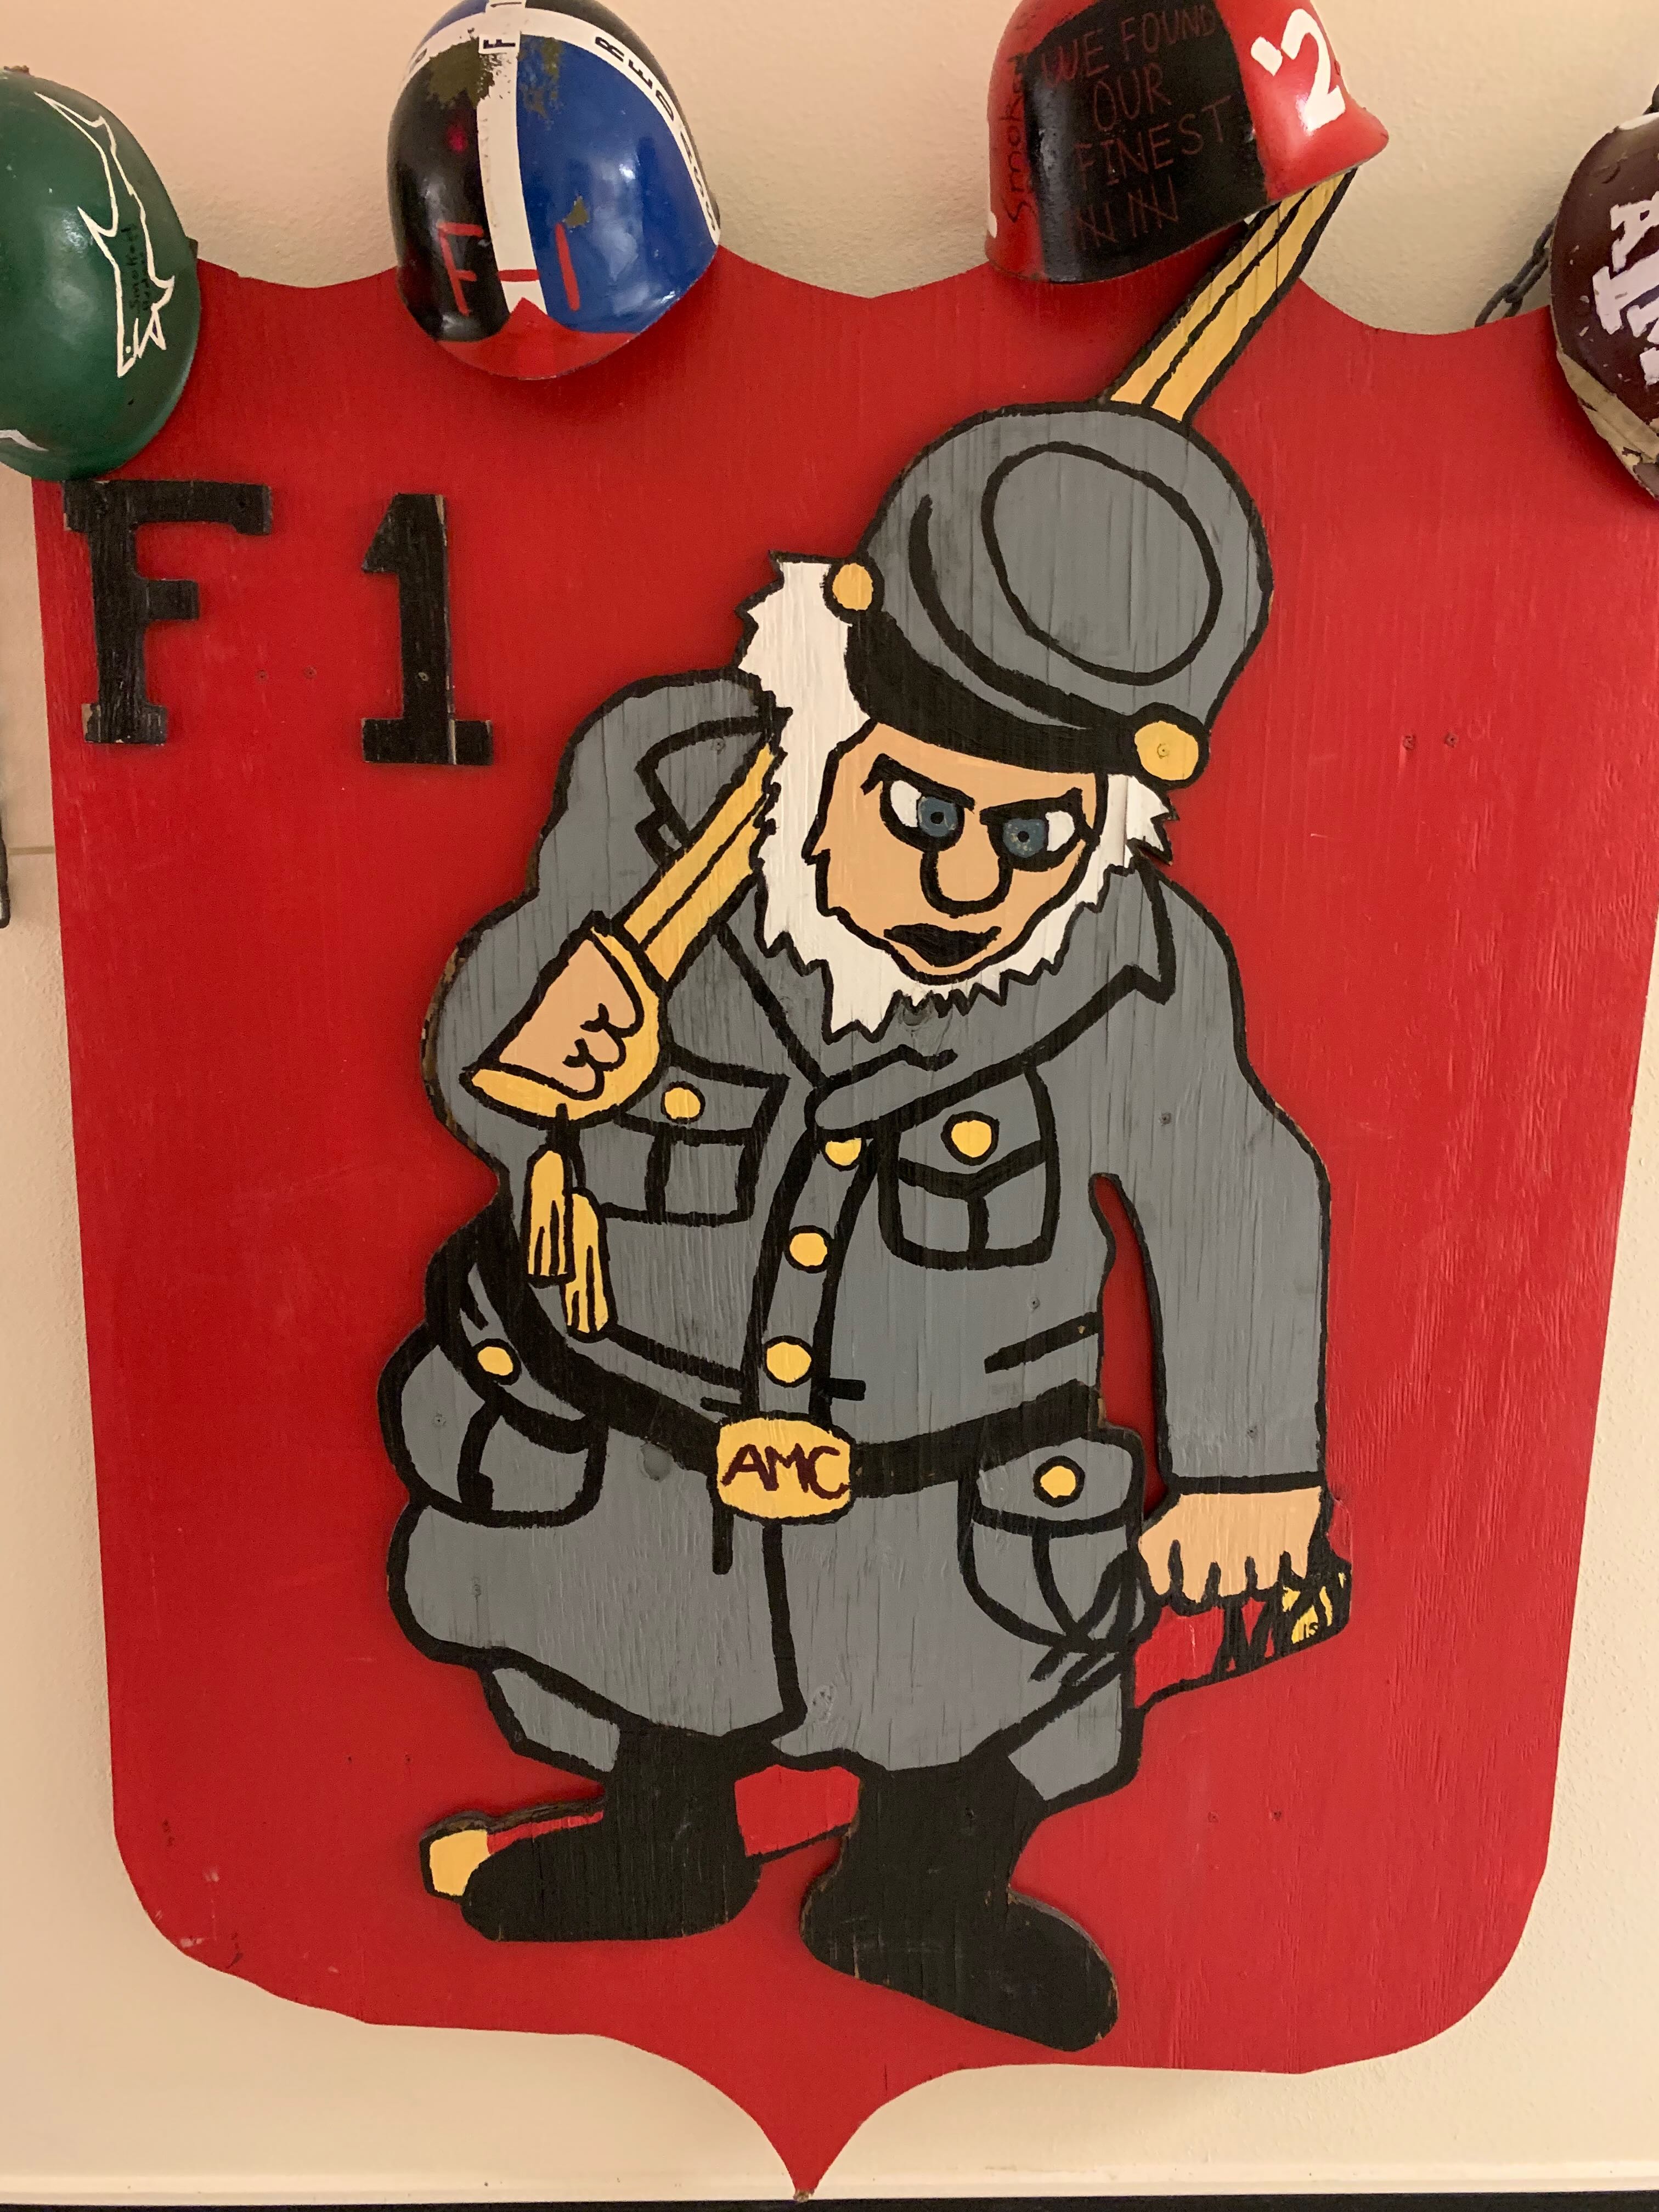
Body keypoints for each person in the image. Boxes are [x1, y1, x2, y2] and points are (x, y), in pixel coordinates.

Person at [382, 399, 1328, 2051]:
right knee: (648, 1661)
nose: (969, 882)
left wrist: (1251, 1470)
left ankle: (914, 1898)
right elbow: (484, 1063)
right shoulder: (658, 805)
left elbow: (1233, 1182)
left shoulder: (1133, 968)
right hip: (650, 1462)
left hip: (947, 1499)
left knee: (964, 1710)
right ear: (838, 733)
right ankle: (662, 1847)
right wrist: (526, 1048)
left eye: (1030, 838)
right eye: (923, 815)